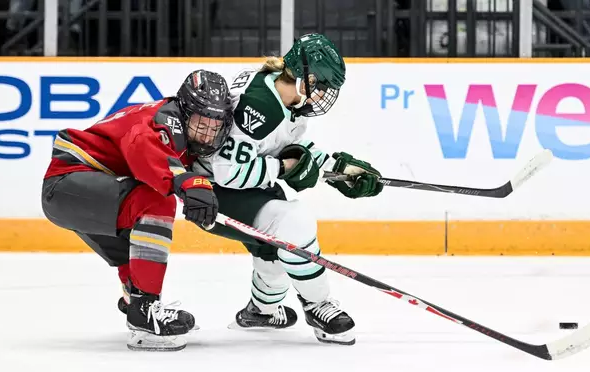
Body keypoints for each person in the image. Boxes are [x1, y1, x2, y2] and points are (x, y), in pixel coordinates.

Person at [192, 33, 384, 345]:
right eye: (321, 85)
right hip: (211, 192)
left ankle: (263, 310)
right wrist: (282, 169)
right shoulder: (260, 107)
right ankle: (318, 303)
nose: (324, 94)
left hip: (239, 187)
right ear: (305, 78)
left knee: (274, 249)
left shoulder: (281, 94)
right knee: (293, 222)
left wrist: (340, 170)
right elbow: (228, 172)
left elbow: (287, 146)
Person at [41, 70, 233, 351]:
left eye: (213, 126)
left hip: (85, 191)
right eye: (200, 123)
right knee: (155, 201)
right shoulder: (163, 120)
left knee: (135, 239)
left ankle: (135, 297)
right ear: (184, 110)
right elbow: (141, 146)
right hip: (68, 183)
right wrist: (184, 181)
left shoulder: (176, 127)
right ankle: (144, 311)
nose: (206, 133)